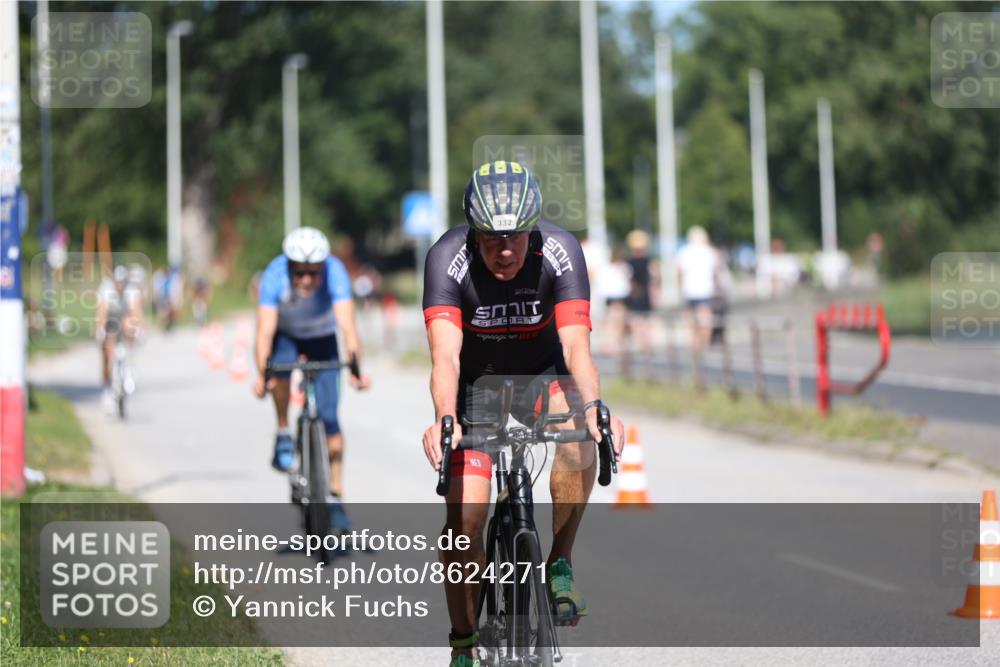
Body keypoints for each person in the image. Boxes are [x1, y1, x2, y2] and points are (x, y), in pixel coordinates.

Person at [421, 160, 624, 667]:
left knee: (578, 434)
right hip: (477, 387)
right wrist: (445, 418)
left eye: (515, 237)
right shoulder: (447, 259)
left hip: (542, 376)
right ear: (473, 230)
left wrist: (596, 409)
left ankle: (559, 561)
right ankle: (463, 642)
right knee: (464, 526)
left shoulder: (561, 252)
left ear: (533, 228)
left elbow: (577, 347)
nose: (505, 250)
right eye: (491, 238)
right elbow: (444, 356)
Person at [252, 227, 371, 530]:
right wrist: (261, 375)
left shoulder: (336, 273)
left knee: (331, 419)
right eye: (299, 273)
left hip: (321, 337)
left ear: (323, 268)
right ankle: (282, 430)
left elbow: (347, 326)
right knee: (276, 373)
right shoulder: (274, 274)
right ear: (288, 267)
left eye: (313, 273)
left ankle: (335, 497)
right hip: (287, 335)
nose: (306, 280)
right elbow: (264, 331)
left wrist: (357, 369)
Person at [96, 265, 143, 413]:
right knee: (107, 348)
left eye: (122, 282)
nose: (120, 285)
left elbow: (136, 310)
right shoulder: (106, 288)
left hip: (124, 317)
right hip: (111, 318)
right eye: (118, 282)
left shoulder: (131, 289)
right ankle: (107, 389)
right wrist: (100, 329)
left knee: (129, 325)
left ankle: (129, 364)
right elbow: (102, 310)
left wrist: (139, 329)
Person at [676, 225, 722, 357]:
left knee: (690, 319)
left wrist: (681, 286)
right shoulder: (710, 252)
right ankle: (704, 343)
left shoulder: (684, 251)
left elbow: (679, 272)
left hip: (689, 290)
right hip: (705, 290)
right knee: (705, 319)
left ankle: (693, 343)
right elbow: (716, 272)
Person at [623, 230, 658, 373]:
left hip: (635, 294)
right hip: (645, 294)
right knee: (645, 320)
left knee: (637, 320)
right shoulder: (649, 260)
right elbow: (654, 278)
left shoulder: (629, 261)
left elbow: (628, 280)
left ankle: (640, 342)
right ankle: (646, 344)